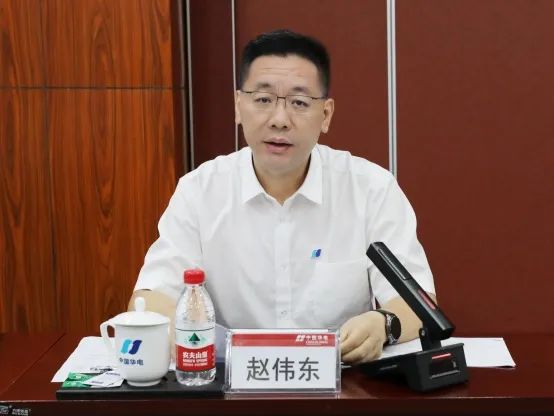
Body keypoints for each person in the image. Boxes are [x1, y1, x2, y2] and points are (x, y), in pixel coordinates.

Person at [130, 29, 435, 364]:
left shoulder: (371, 189)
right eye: (263, 100)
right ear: (238, 106)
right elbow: (151, 297)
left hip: (343, 382)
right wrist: (167, 330)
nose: (279, 120)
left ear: (326, 115)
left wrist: (384, 324)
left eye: (299, 103)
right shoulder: (199, 191)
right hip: (230, 383)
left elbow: (418, 304)